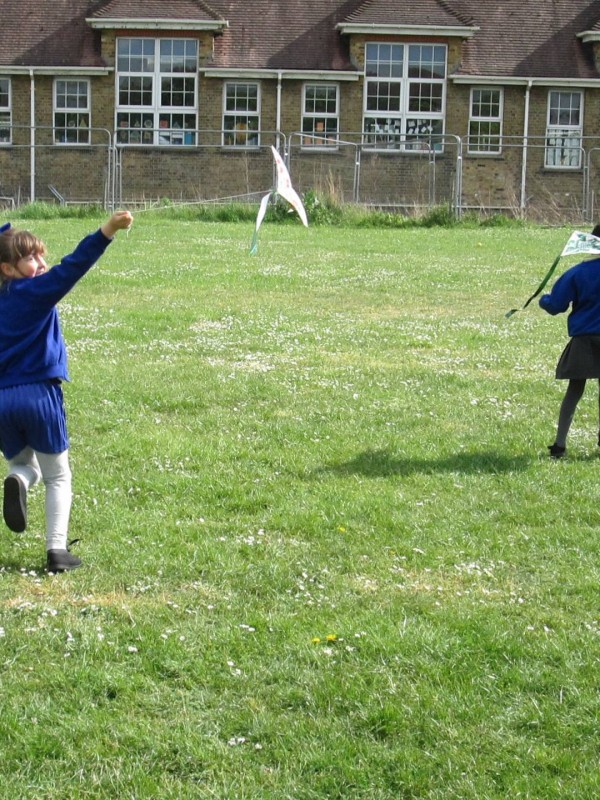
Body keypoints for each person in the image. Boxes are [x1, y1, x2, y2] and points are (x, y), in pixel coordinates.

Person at [0, 210, 133, 571]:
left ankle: (17, 479)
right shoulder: (36, 293)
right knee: (58, 475)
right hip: (39, 395)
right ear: (7, 269)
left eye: (41, 255)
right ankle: (56, 551)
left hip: (2, 400)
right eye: (30, 258)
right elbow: (74, 265)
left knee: (22, 464)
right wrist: (108, 229)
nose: (42, 263)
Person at [539, 223, 600, 459]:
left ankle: (559, 445)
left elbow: (556, 305)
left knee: (575, 390)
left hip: (584, 340)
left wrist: (543, 300)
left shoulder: (578, 273)